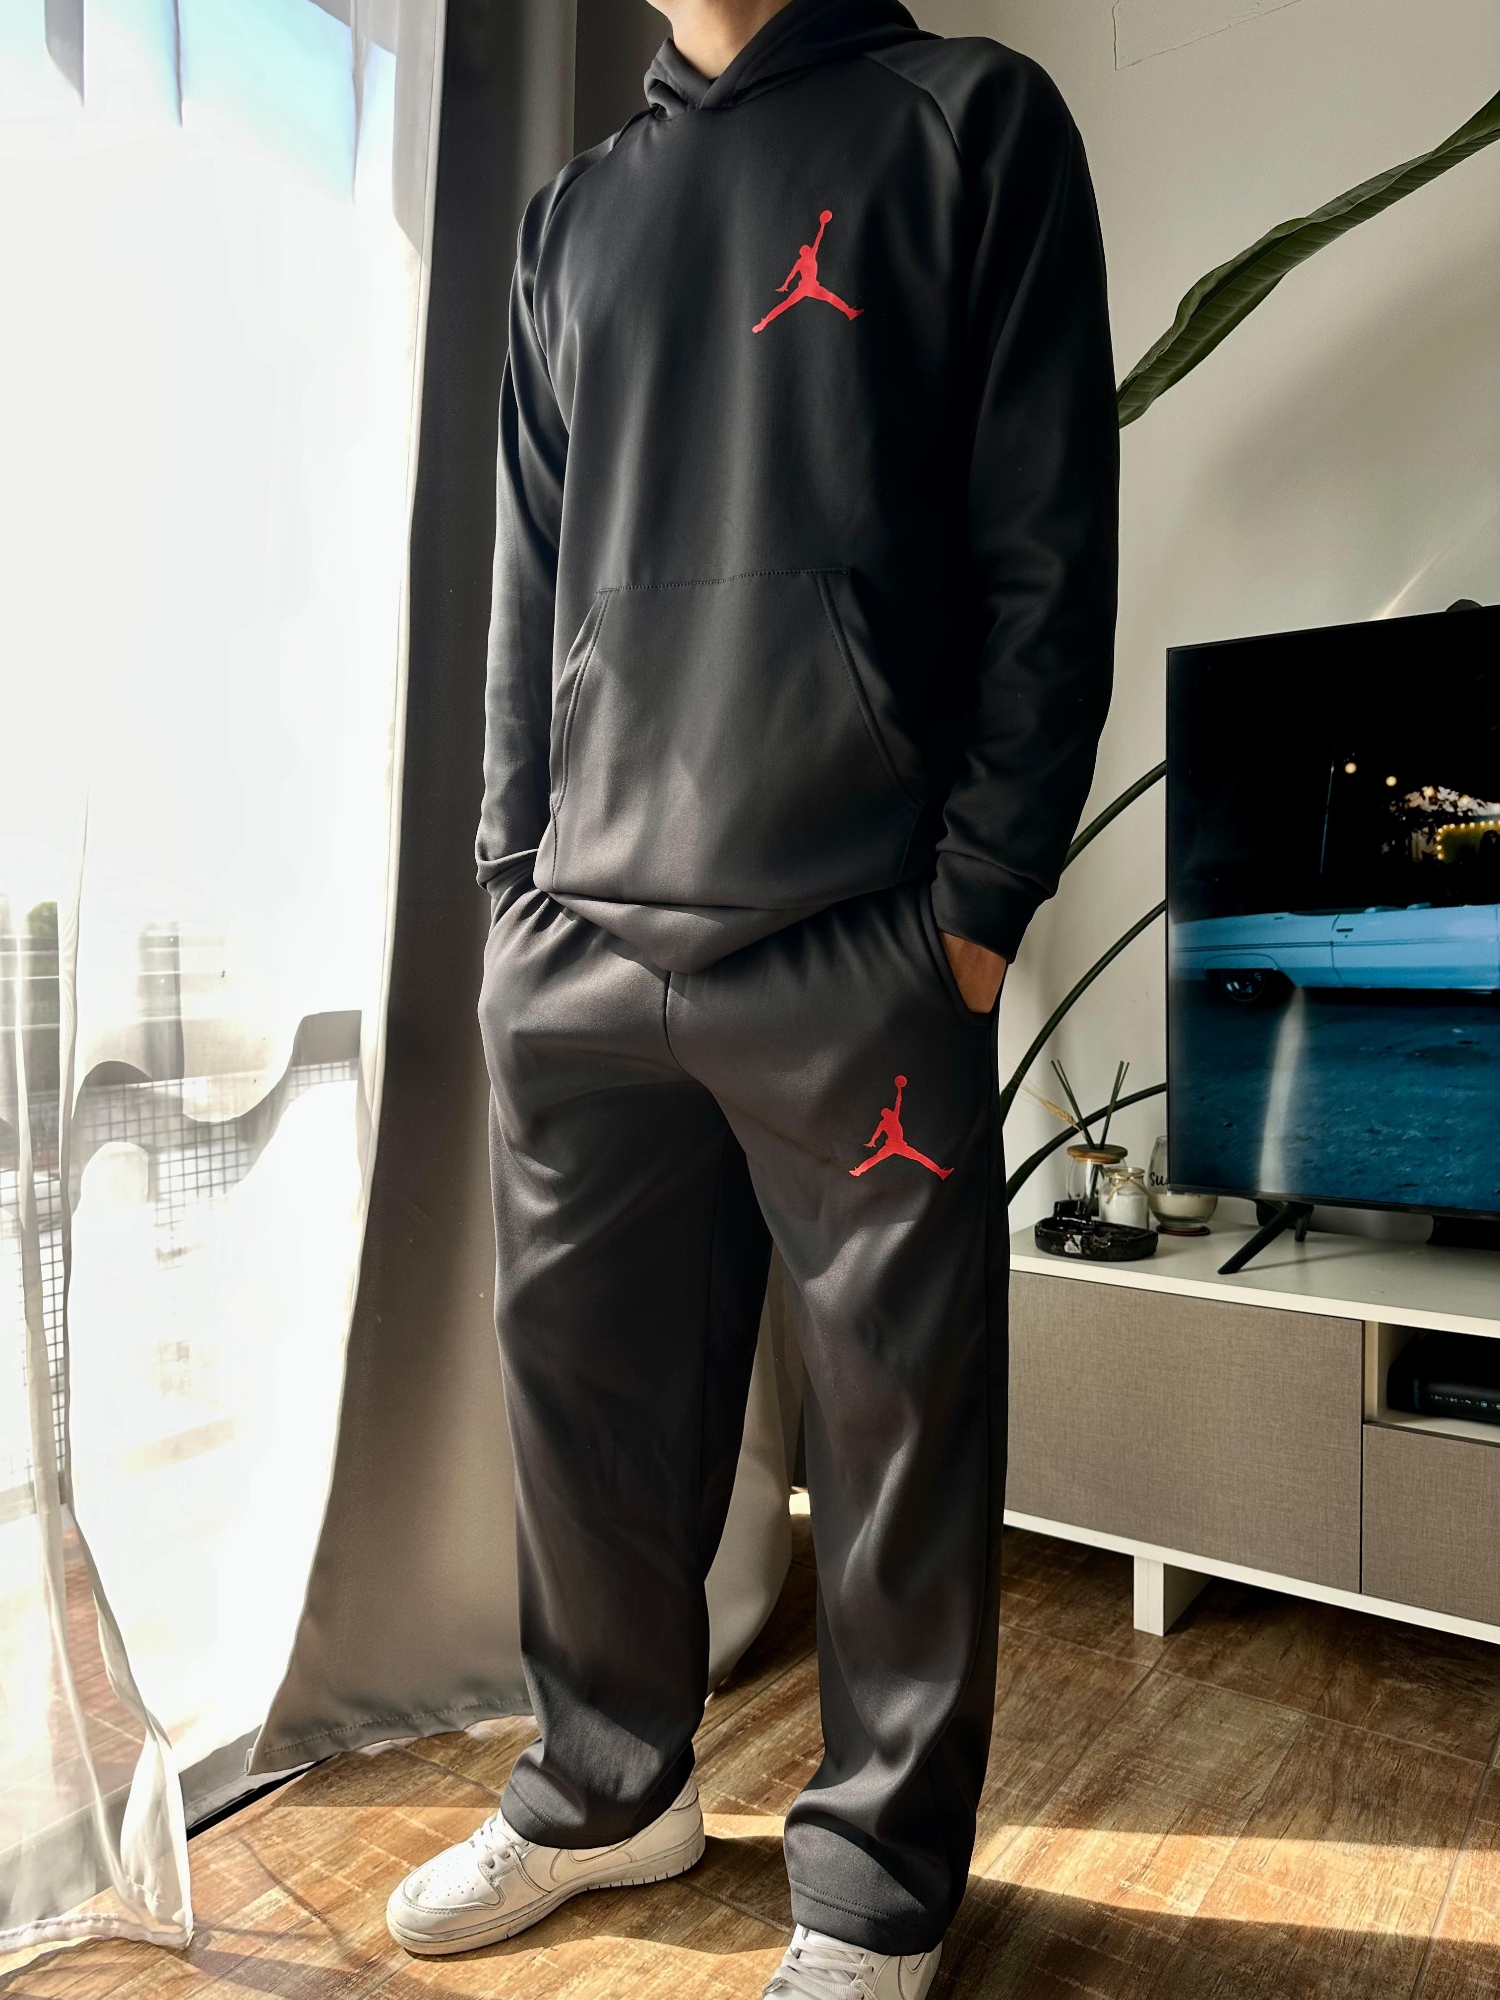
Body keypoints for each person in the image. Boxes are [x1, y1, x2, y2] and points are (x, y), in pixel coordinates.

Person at [387, 0, 1117, 1993]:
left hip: (860, 942)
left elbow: (1049, 548)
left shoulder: (972, 125)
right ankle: (602, 1791)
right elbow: (526, 586)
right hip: (583, 947)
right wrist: (510, 893)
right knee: (587, 1411)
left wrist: (975, 909)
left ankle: (877, 1888)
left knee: (895, 1429)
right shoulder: (572, 219)